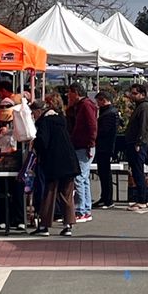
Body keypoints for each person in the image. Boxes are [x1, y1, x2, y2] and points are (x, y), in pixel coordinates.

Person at [32, 92, 80, 236]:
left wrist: (34, 144)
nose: (33, 115)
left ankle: (44, 226)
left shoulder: (45, 122)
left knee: (49, 194)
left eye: (34, 112)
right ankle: (68, 225)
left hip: (53, 162)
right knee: (67, 194)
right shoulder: (62, 119)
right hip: (70, 161)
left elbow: (43, 141)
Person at [66, 83, 97, 223]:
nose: (68, 95)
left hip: (83, 145)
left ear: (76, 92)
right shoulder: (81, 106)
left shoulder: (85, 105)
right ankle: (85, 209)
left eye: (70, 92)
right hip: (83, 145)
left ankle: (81, 210)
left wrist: (90, 143)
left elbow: (92, 125)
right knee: (83, 178)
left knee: (79, 177)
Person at [124, 83, 148, 213]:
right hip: (135, 142)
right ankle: (141, 199)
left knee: (138, 171)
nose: (132, 95)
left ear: (142, 94)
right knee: (136, 171)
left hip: (139, 144)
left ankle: (142, 200)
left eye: (135, 93)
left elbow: (144, 127)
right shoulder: (140, 106)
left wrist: (139, 142)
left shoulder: (145, 107)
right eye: (132, 93)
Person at [93, 89, 119, 208]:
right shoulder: (110, 112)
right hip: (105, 146)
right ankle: (105, 198)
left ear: (103, 100)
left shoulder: (109, 113)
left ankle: (107, 199)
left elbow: (104, 131)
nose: (97, 104)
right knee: (103, 173)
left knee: (105, 173)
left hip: (105, 147)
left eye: (98, 101)